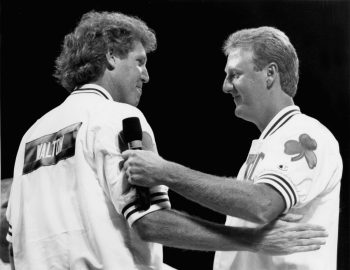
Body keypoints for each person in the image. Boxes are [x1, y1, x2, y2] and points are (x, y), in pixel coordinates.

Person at [5, 13, 327, 269]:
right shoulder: (116, 118)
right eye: (140, 61)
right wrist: (251, 240)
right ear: (111, 57)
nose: (145, 76)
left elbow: (16, 237)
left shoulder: (31, 136)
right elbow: (150, 223)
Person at [122, 26, 342, 270]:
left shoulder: (306, 134)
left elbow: (263, 205)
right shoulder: (269, 144)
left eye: (235, 74)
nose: (225, 87)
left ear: (270, 74)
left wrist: (165, 172)